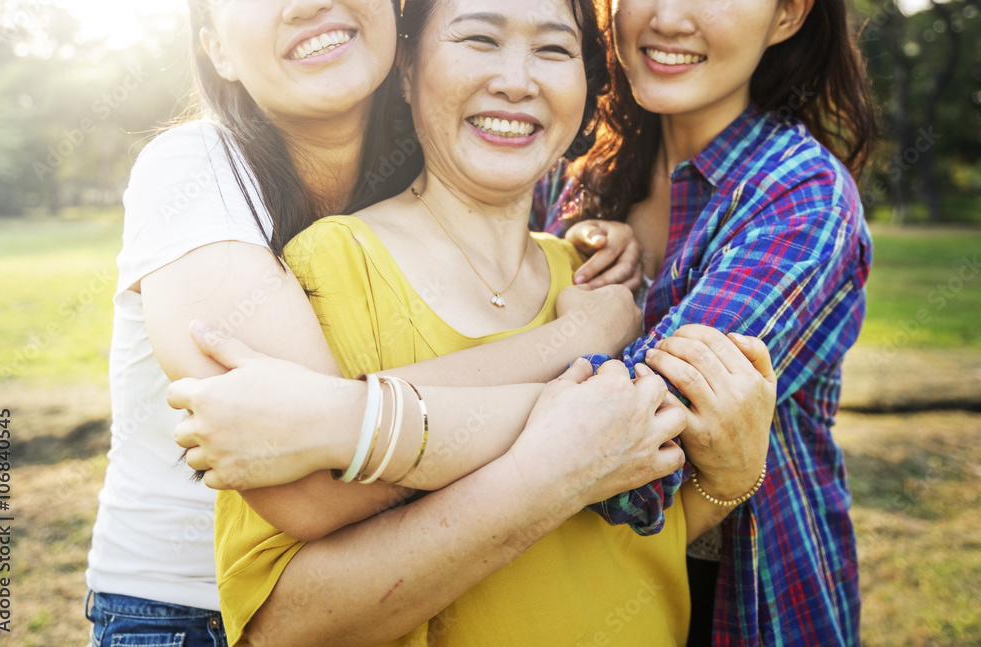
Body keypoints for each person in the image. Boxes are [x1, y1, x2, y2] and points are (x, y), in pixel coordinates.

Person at [170, 0, 776, 645]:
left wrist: (730, 483)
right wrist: (561, 449)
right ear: (405, 70)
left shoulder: (603, 280)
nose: (518, 81)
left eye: (552, 50)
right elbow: (283, 629)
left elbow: (628, 526)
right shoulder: (333, 267)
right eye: (479, 39)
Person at [83, 0, 652, 645]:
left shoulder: (428, 153)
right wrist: (583, 364)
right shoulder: (194, 170)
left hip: (379, 586)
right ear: (215, 49)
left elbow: (341, 425)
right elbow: (320, 483)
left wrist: (588, 241)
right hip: (188, 611)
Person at [531, 0, 875, 644]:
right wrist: (558, 256)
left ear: (789, 15)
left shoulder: (800, 196)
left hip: (737, 601)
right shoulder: (574, 178)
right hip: (562, 594)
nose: (666, 17)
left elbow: (629, 455)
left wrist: (382, 423)